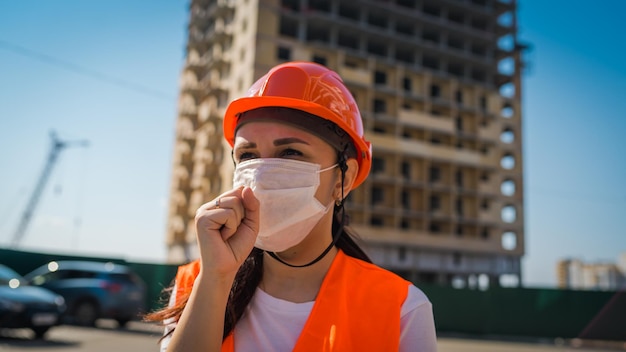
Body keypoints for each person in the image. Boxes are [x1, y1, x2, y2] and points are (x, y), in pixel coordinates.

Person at [146, 61, 437, 351]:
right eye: (248, 155)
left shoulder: (401, 309)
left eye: (290, 152)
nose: (261, 174)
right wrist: (216, 279)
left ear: (342, 179)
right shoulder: (197, 282)